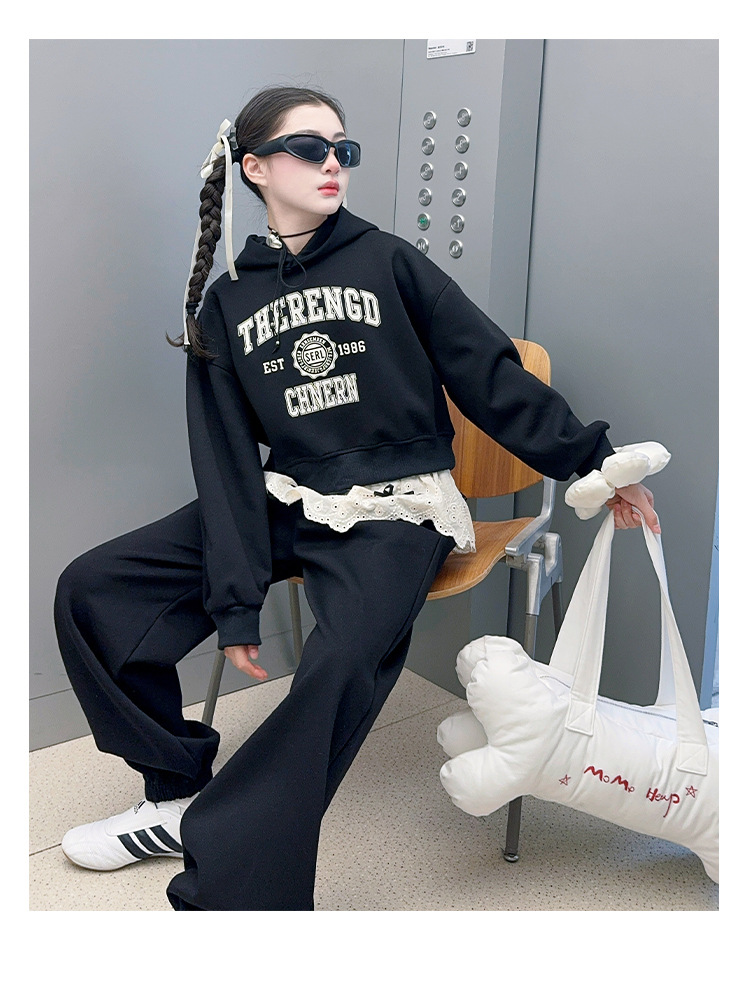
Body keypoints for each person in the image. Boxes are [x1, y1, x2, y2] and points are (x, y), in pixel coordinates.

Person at [54, 85, 659, 911]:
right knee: (95, 590)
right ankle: (175, 788)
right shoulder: (227, 301)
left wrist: (598, 461)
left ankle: (234, 885)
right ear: (255, 167)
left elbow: (489, 373)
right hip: (292, 495)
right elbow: (224, 461)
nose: (333, 162)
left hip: (397, 507)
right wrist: (235, 602)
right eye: (310, 148)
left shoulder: (388, 261)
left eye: (343, 148)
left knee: (338, 666)